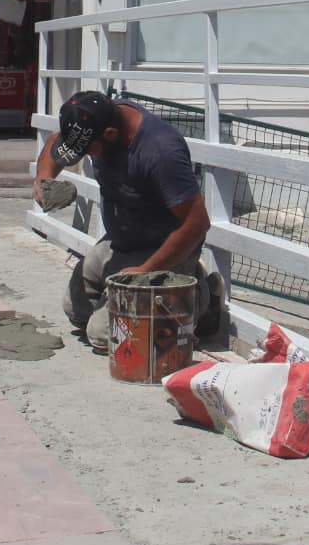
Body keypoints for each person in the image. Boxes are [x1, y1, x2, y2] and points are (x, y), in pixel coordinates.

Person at [34, 91, 211, 353]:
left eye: (87, 151)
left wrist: (147, 271)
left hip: (165, 248)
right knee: (76, 309)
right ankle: (145, 294)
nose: (85, 157)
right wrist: (43, 180)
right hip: (121, 242)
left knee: (104, 337)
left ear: (110, 134)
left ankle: (199, 296)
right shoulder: (90, 121)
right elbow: (54, 143)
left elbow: (197, 224)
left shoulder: (160, 150)